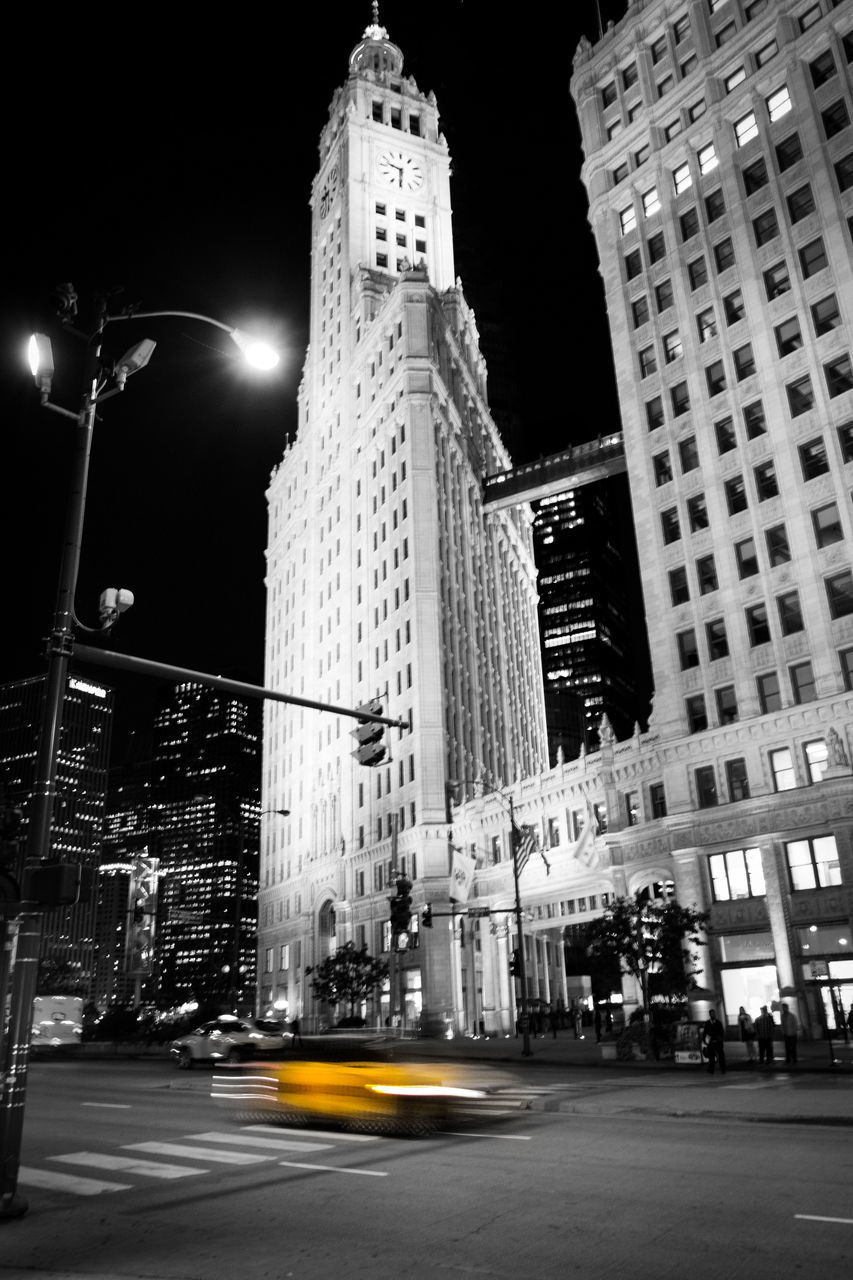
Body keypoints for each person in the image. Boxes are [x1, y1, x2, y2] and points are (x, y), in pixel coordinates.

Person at [702, 1008, 726, 1076]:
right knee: (711, 1057)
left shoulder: (718, 1022)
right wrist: (704, 1040)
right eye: (712, 1014)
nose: (713, 1015)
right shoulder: (707, 1023)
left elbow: (721, 1032)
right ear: (710, 1015)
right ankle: (711, 1070)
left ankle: (723, 1069)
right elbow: (705, 1032)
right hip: (711, 1042)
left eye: (714, 1013)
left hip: (718, 1041)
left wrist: (721, 1039)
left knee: (721, 1056)